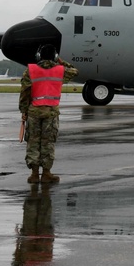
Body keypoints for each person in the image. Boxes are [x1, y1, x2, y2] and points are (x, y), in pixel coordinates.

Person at [19, 45, 78, 183]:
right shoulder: (60, 70)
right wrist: (61, 62)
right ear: (55, 57)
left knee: (33, 142)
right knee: (48, 142)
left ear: (39, 56)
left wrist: (23, 111)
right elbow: (75, 71)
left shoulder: (30, 70)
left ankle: (34, 175)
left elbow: (25, 92)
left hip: (34, 111)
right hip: (51, 112)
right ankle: (46, 173)